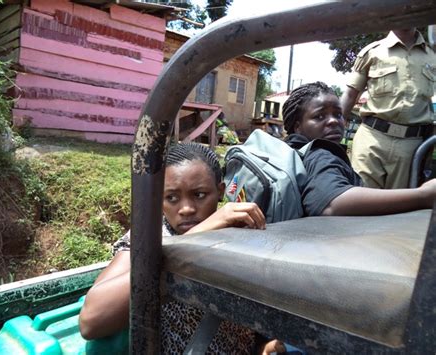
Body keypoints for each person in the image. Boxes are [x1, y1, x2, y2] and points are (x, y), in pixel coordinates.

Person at [79, 142, 283, 354]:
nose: (186, 209)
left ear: (220, 192)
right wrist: (193, 238)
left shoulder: (235, 228)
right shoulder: (148, 238)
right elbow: (91, 321)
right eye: (172, 198)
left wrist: (262, 345)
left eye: (200, 195)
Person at [283, 81, 436, 217]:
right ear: (297, 127)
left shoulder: (287, 152)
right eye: (319, 116)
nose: (333, 121)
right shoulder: (320, 154)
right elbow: (331, 203)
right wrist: (423, 196)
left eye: (338, 114)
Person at [341, 28, 436, 189]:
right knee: (360, 204)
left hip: (412, 147)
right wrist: (332, 132)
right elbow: (350, 95)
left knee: (399, 208)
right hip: (371, 140)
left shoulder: (432, 55)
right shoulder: (372, 52)